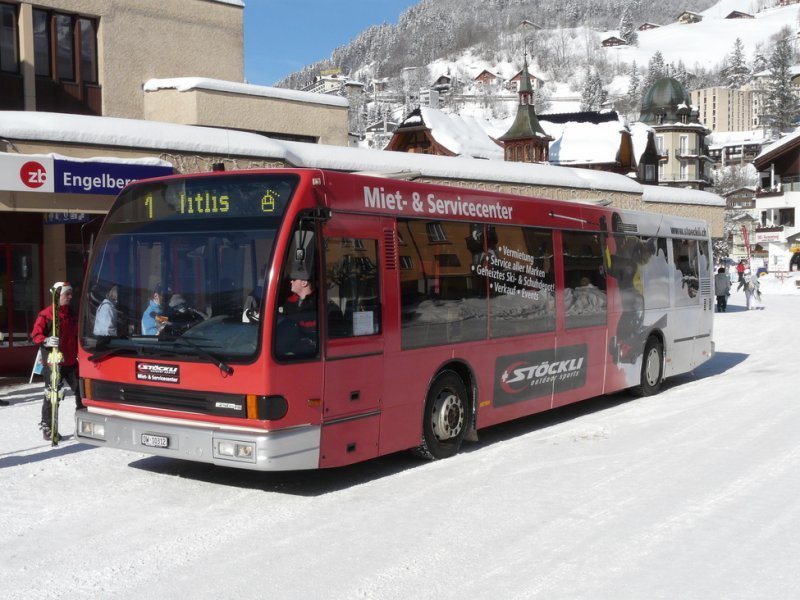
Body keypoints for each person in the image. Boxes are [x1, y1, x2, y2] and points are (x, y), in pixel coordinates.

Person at [30, 281, 82, 441]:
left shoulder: (72, 315)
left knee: (81, 392)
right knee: (53, 395)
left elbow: (76, 336)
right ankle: (48, 427)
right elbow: (35, 335)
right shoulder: (46, 314)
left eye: (71, 293)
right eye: (67, 294)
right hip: (53, 363)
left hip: (71, 361)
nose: (70, 297)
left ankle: (84, 425)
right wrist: (46, 340)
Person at [277, 274, 317, 356]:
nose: (291, 281)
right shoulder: (289, 302)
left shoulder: (318, 302)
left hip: (310, 351)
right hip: (289, 348)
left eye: (294, 279)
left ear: (304, 283)